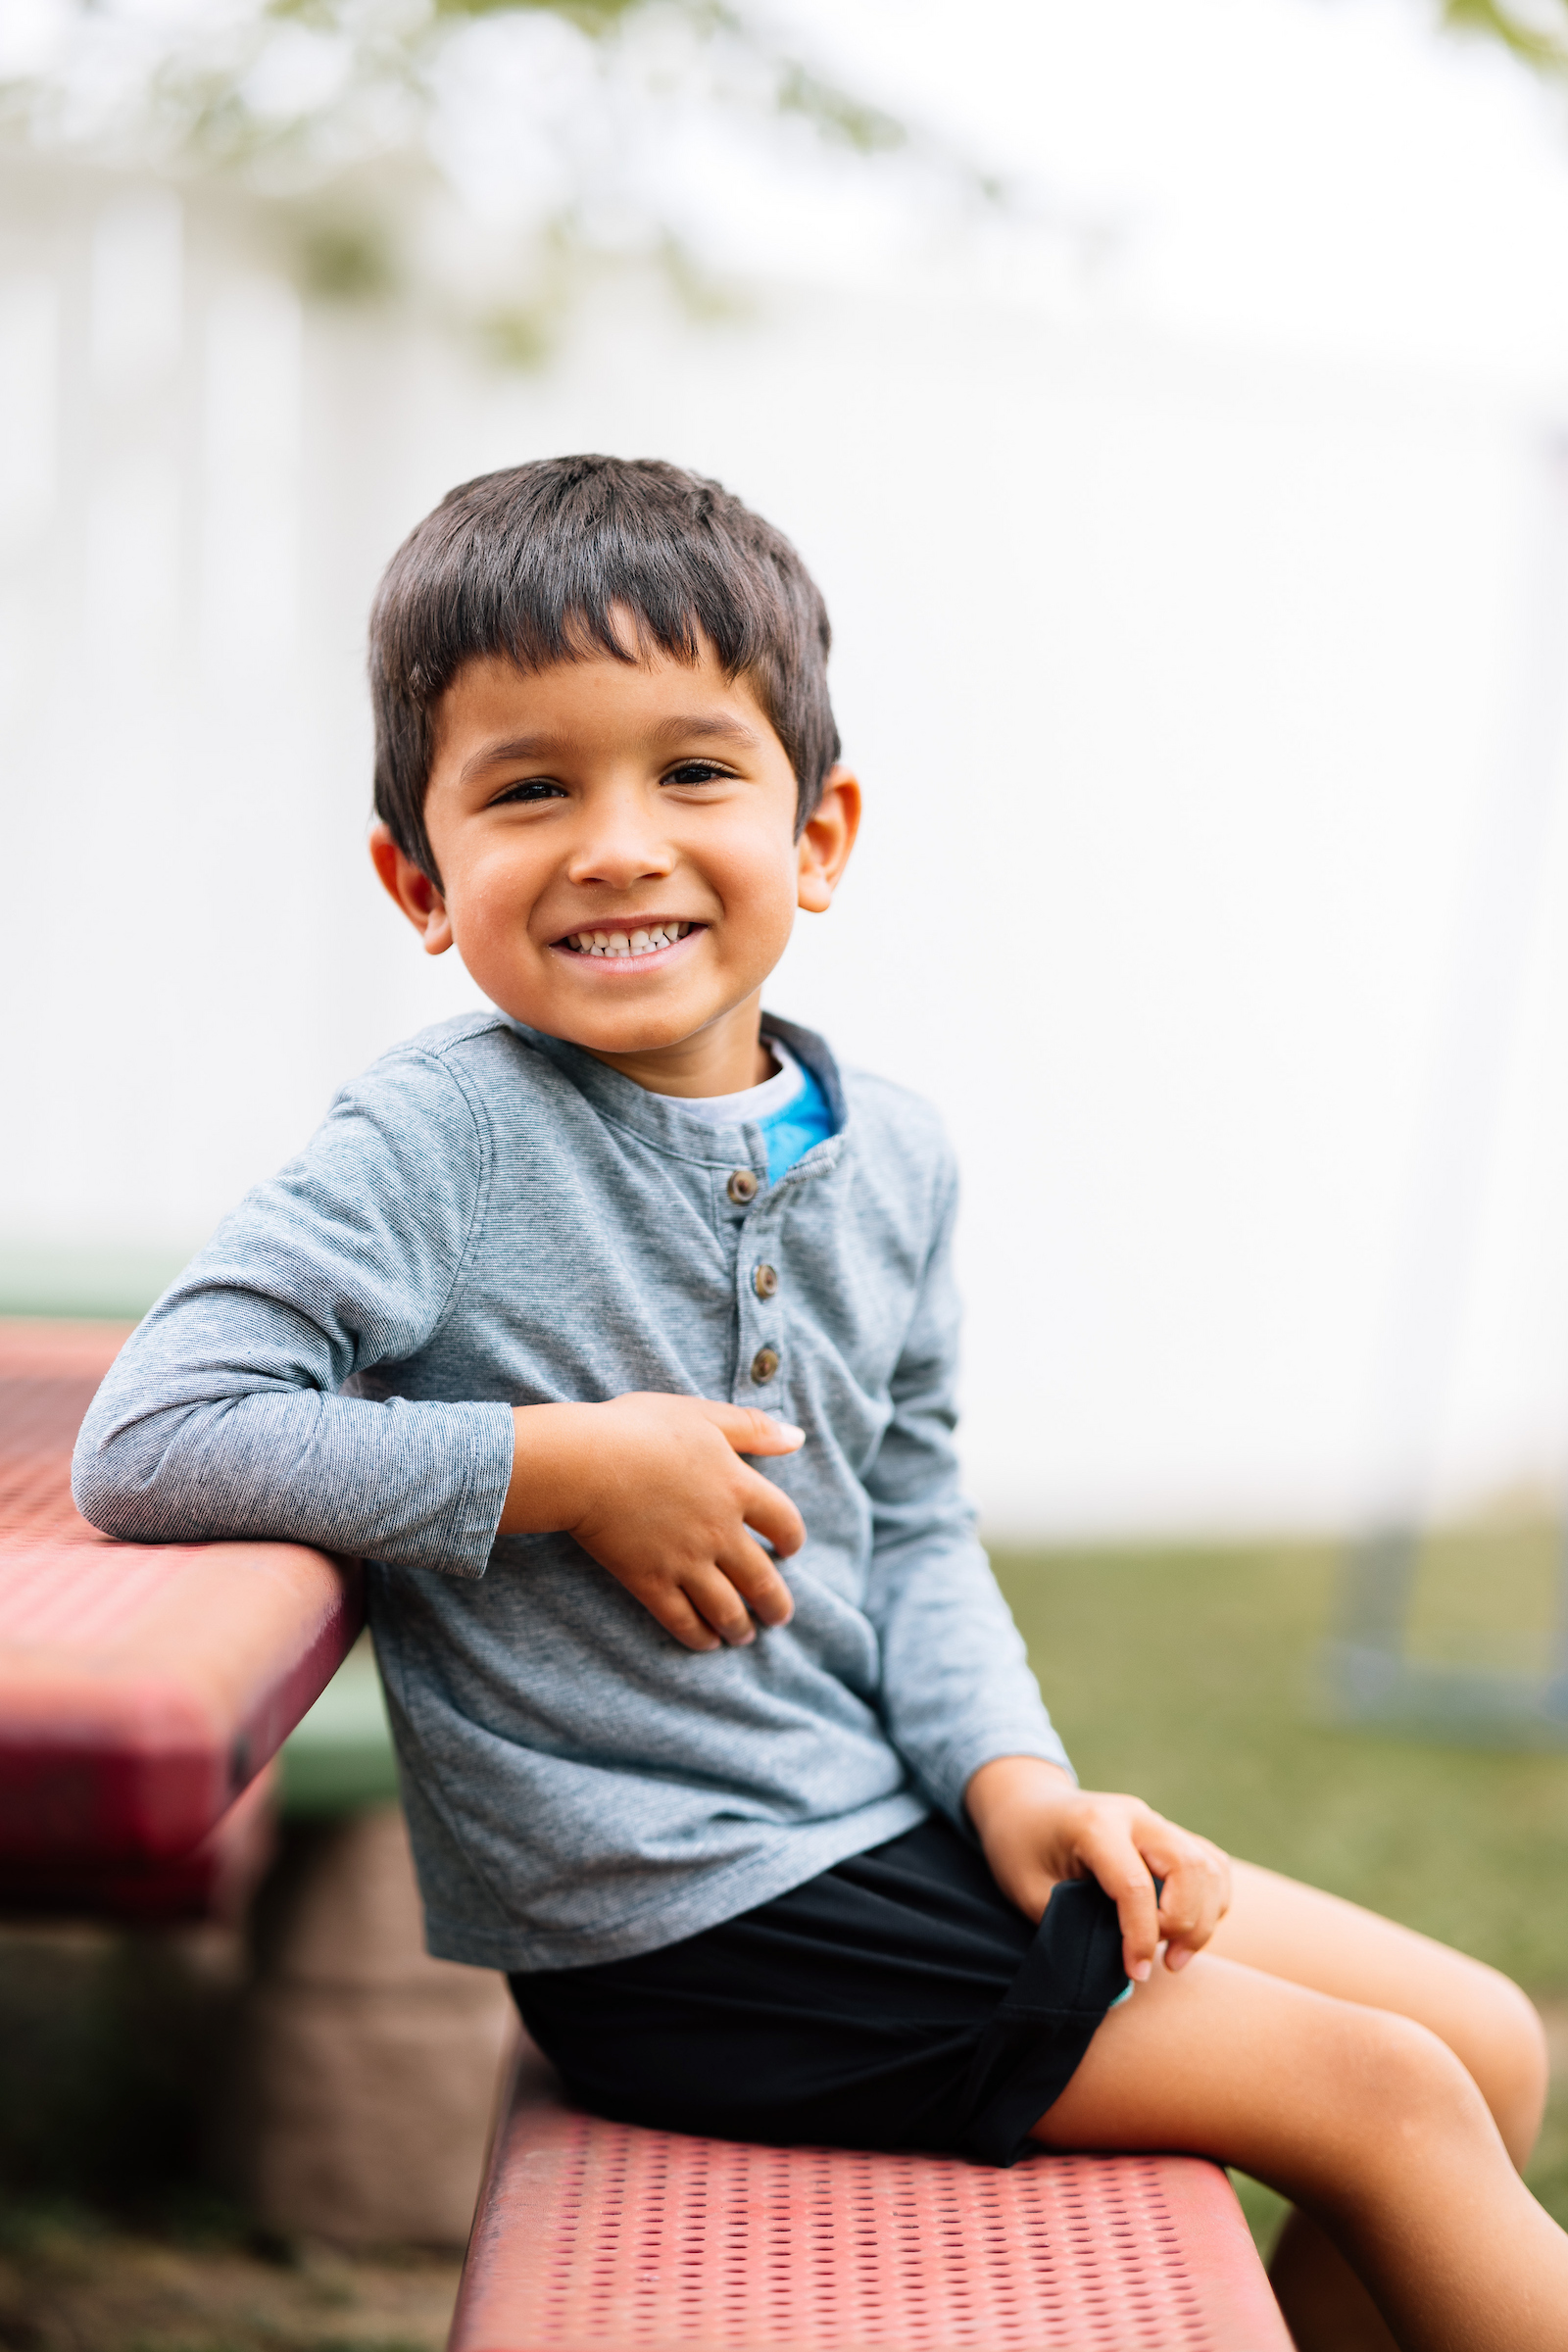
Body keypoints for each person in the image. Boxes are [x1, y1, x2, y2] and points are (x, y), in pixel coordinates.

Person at [74, 455, 1563, 2351]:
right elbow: (155, 1435)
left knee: (1484, 2042)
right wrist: (562, 1468)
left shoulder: (900, 1158)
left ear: (823, 833)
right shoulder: (435, 1139)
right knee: (1390, 2099)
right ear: (420, 881)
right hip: (687, 1933)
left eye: (694, 772)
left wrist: (1016, 1784)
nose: (619, 841)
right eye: (533, 787)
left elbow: (915, 1525)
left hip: (887, 1827)